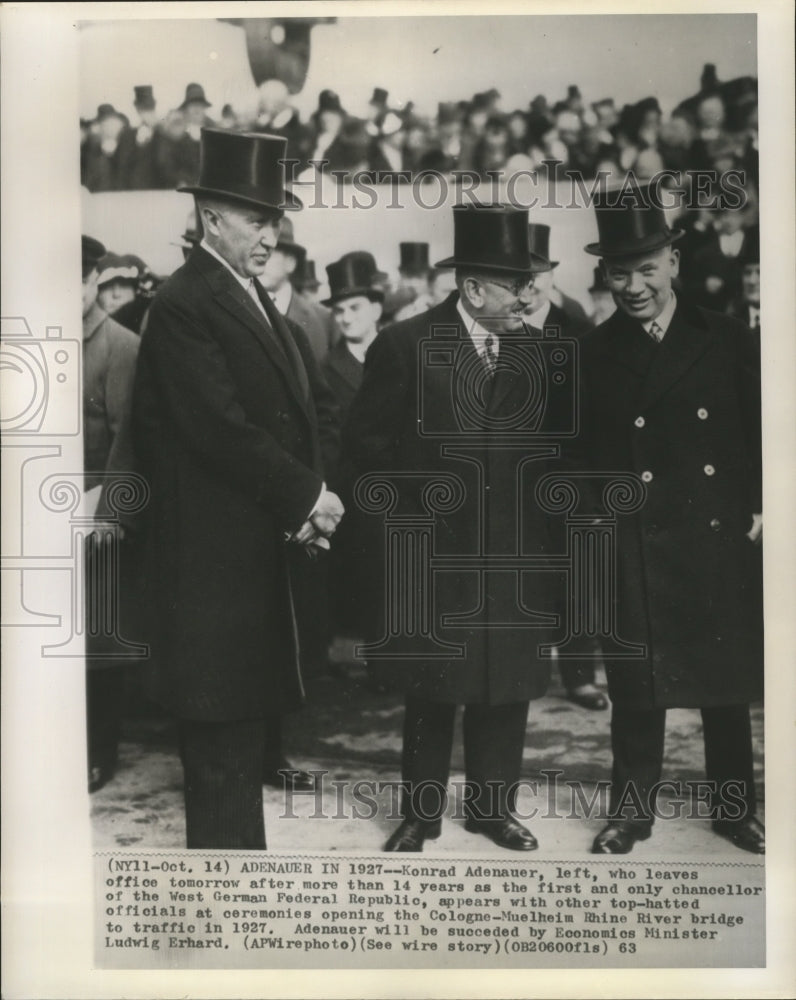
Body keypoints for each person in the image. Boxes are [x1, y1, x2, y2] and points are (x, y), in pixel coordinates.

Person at [132, 129, 343, 849]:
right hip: (213, 570)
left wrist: (306, 494)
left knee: (239, 741)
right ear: (211, 218)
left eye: (276, 221)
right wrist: (307, 497)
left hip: (247, 559)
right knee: (221, 747)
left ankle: (232, 893)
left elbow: (294, 410)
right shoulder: (186, 301)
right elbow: (219, 428)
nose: (270, 234)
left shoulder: (244, 293)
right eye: (257, 219)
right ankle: (226, 910)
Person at [344, 204, 558, 852]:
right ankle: (422, 811)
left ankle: (493, 809)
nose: (529, 296)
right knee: (431, 690)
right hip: (433, 562)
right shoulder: (405, 346)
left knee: (507, 688)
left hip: (515, 560)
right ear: (472, 289)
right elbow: (363, 459)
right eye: (515, 285)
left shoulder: (539, 352)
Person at [574, 187, 764, 855]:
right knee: (636, 687)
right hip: (635, 542)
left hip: (716, 534)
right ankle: (632, 812)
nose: (633, 286)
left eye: (647, 269)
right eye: (619, 273)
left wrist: (763, 509)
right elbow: (582, 459)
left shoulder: (726, 336)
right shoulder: (594, 353)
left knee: (726, 685)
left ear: (673, 262)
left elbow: (763, 428)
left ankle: (735, 808)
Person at [81, 235, 141, 793]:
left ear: (89, 283)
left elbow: (129, 438)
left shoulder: (120, 345)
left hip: (94, 508)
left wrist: (107, 511)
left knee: (100, 639)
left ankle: (100, 751)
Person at [321, 254, 385, 674]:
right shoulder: (326, 369)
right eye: (339, 310)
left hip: (401, 492)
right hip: (353, 497)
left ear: (377, 308)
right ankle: (359, 659)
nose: (345, 318)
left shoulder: (400, 353)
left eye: (355, 307)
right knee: (358, 581)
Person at [257, 217, 336, 362]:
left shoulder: (323, 318)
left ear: (290, 263)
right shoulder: (239, 307)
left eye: (269, 252)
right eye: (256, 251)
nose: (260, 258)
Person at [117, 85, 164, 190]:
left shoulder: (163, 133)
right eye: (143, 108)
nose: (146, 113)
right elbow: (122, 168)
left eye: (149, 108)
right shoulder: (127, 136)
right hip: (134, 193)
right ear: (137, 109)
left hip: (159, 193)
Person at [392, 242, 432, 322]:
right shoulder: (394, 308)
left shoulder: (434, 306)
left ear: (429, 279)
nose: (413, 284)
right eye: (408, 277)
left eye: (419, 278)